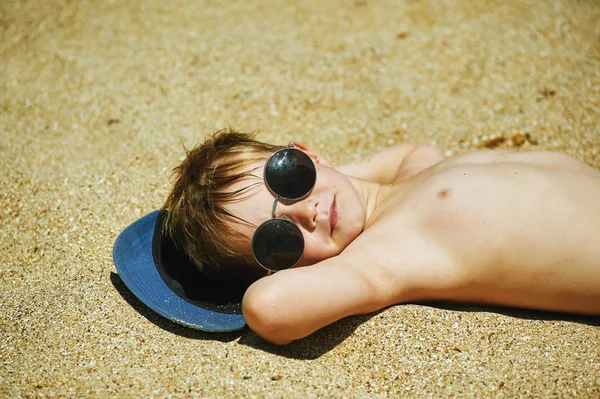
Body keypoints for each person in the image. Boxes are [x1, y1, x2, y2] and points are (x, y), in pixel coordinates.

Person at [162, 129, 600, 344]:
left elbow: (417, 151)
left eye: (291, 178)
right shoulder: (383, 258)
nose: (307, 211)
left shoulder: (411, 177)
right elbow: (268, 308)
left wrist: (338, 178)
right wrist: (333, 261)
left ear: (306, 154)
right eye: (279, 238)